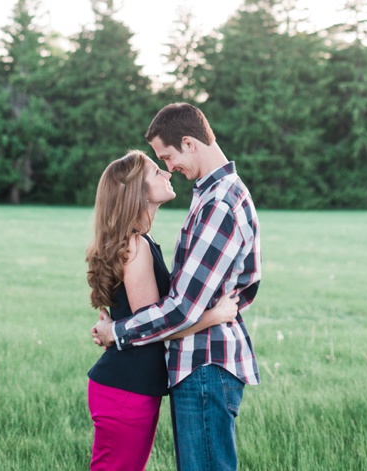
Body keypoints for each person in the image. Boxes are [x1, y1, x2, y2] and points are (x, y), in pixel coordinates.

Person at [92, 104, 261, 471]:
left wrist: (115, 332)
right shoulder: (208, 196)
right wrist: (218, 312)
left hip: (205, 362)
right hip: (195, 362)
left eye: (167, 157)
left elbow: (181, 308)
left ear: (189, 142)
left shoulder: (219, 203)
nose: (170, 168)